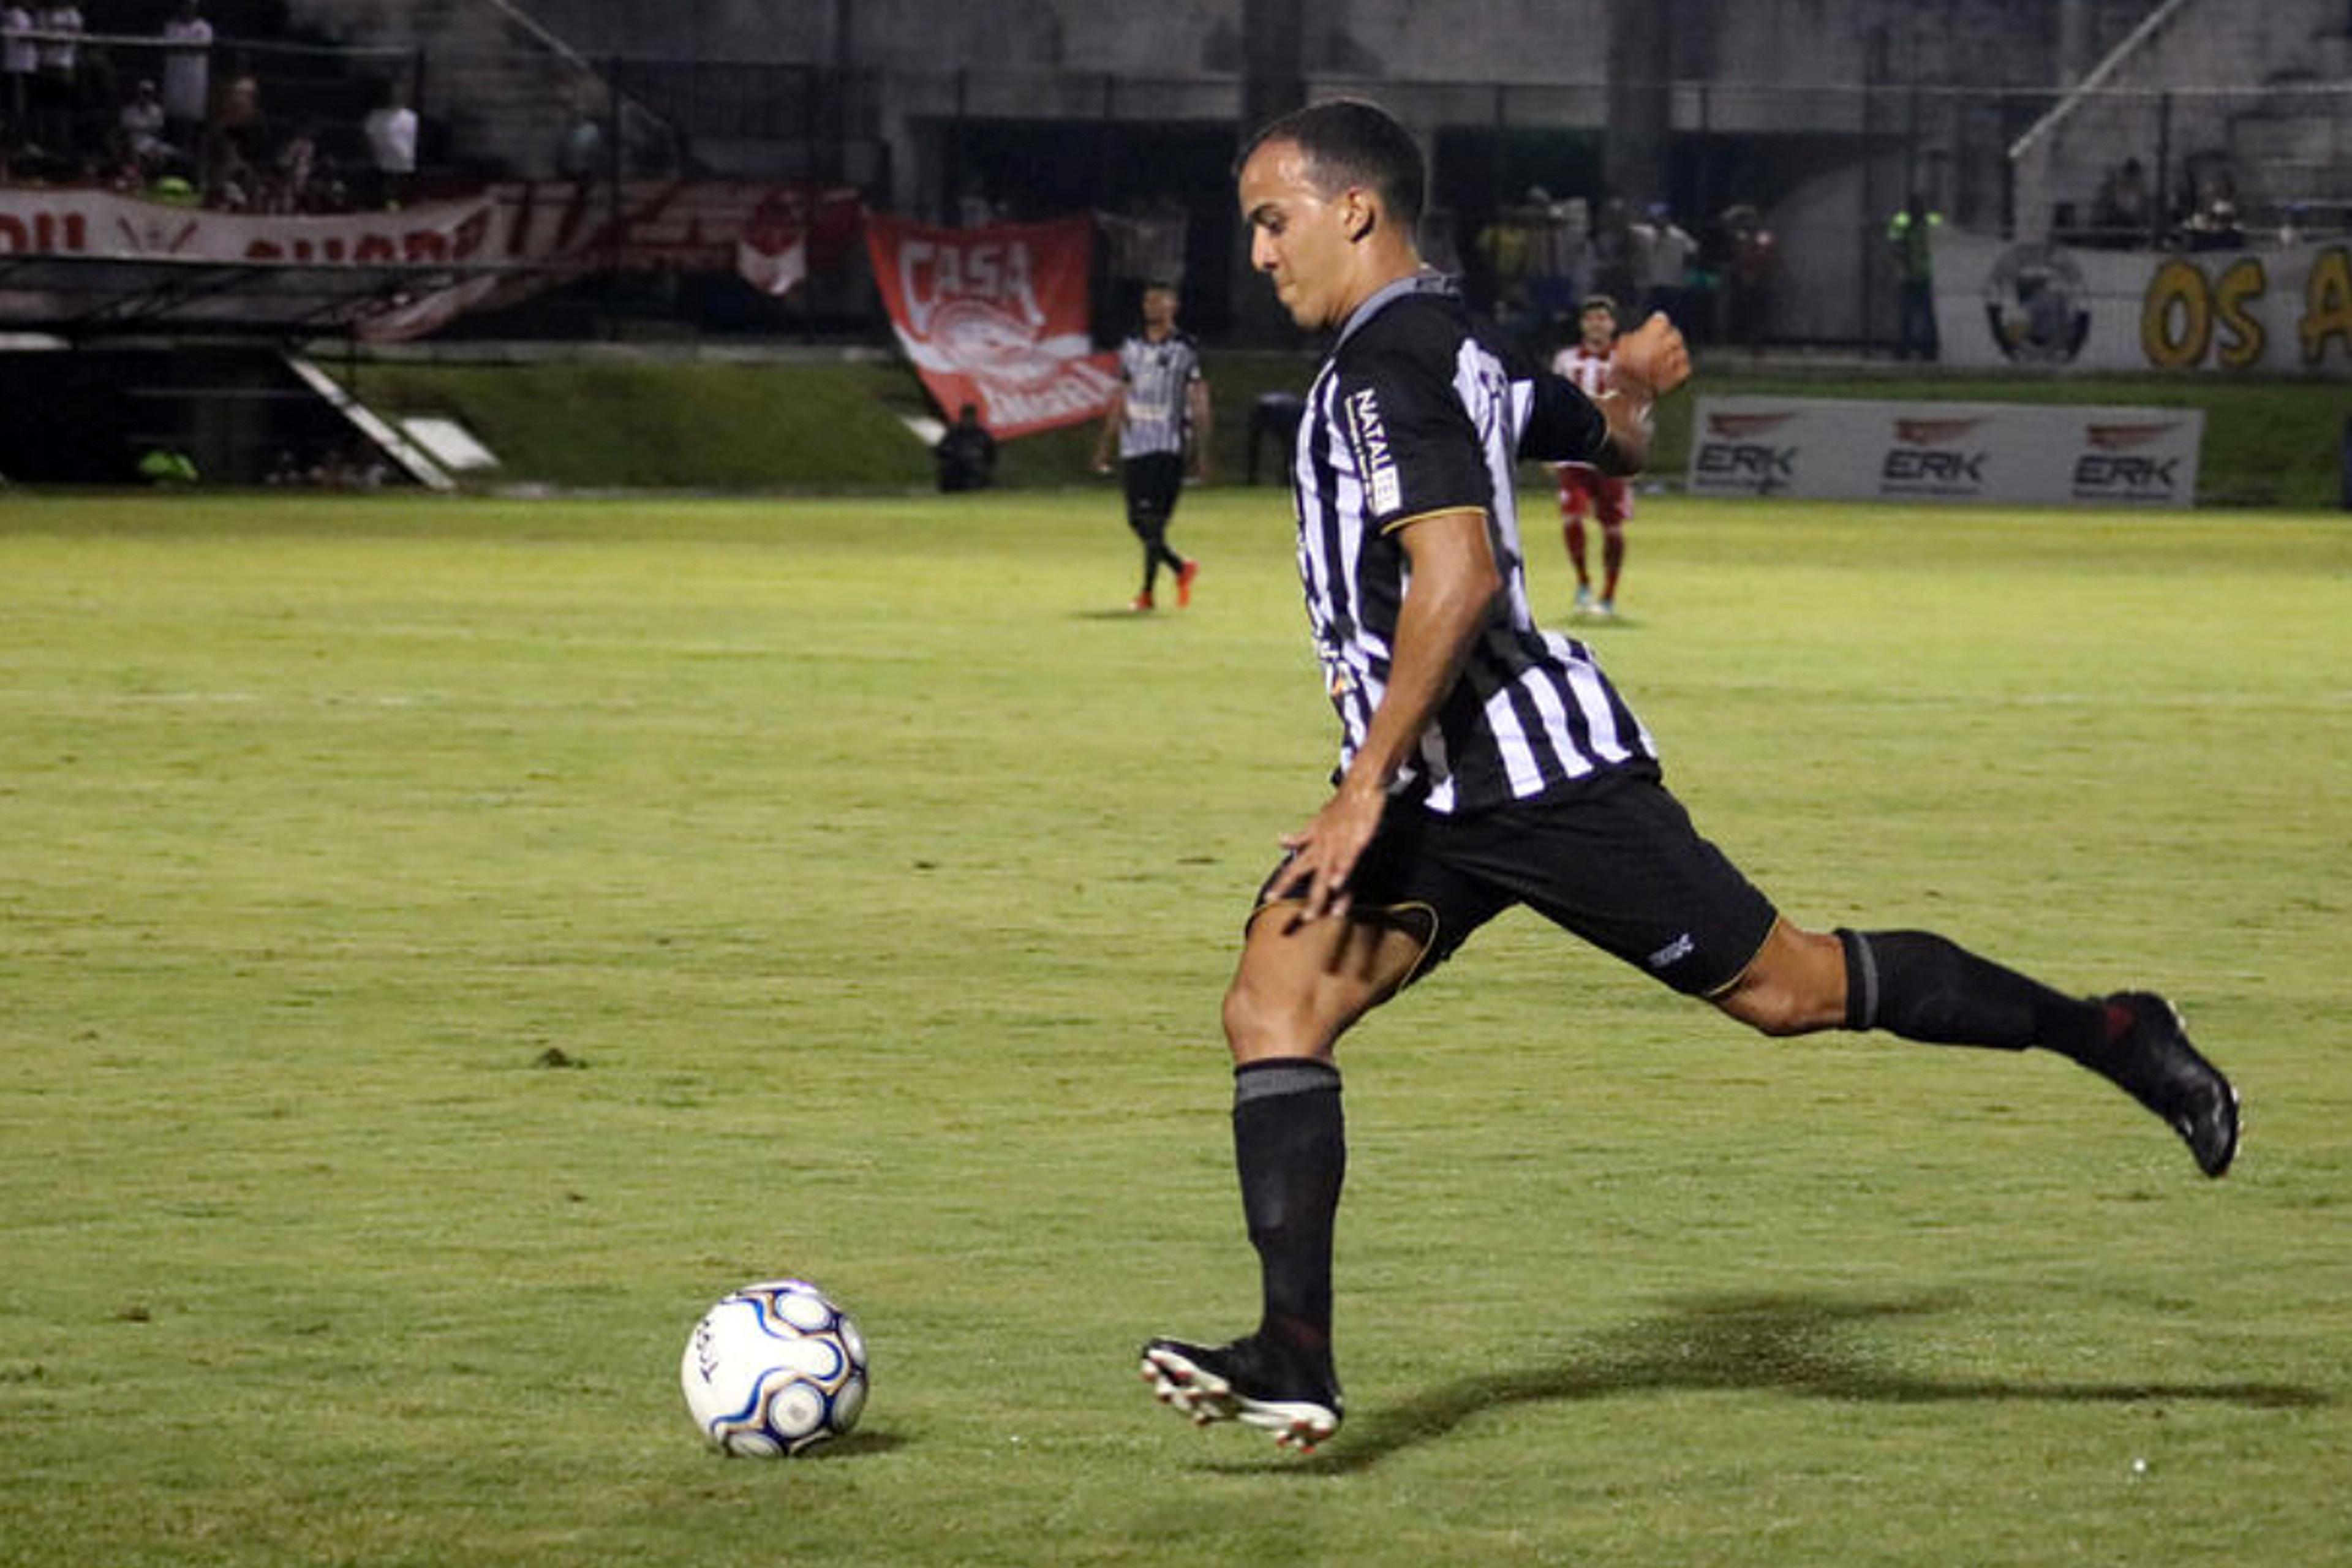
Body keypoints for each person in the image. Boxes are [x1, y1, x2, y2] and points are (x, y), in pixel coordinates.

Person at [1137, 97, 2239, 1457]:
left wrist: (1362, 784)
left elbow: (1462, 573)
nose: (1258, 250)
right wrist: (1639, 389)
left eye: (1272, 217)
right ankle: (1295, 1351)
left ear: (1353, 209)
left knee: (1791, 987)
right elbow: (1612, 441)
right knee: (1273, 999)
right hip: (1434, 787)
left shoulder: (1388, 367)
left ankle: (2113, 1031)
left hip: (1533, 778)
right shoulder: (1456, 342)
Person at [1091, 281, 1210, 611]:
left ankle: (1147, 594)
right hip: (1134, 444)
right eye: (1148, 301)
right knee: (1136, 519)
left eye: (1160, 301)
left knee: (1155, 520)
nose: (1152, 307)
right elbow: (1120, 394)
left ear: (1174, 305)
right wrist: (1106, 443)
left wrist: (1202, 451)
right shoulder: (1130, 347)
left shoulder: (1185, 348)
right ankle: (1179, 567)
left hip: (1167, 444)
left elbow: (1199, 397)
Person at [1550, 294, 1632, 618]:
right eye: (1591, 318)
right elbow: (1554, 402)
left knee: (1612, 527)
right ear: (1582, 324)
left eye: (1603, 318)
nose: (1597, 324)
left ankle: (1609, 595)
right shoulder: (1566, 360)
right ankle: (1583, 583)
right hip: (1573, 452)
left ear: (1612, 324)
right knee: (1572, 516)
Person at [1888, 191, 1942, 361]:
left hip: (1928, 276)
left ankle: (1928, 348)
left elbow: (1946, 233)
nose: (1918, 210)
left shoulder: (1931, 221)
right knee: (1908, 314)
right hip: (1910, 276)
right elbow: (1894, 242)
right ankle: (1906, 348)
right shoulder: (1902, 221)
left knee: (1927, 315)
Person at [159, 0, 210, 153]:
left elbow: (200, 48)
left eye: (191, 6)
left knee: (193, 122)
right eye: (185, 4)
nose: (188, 9)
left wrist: (184, 48)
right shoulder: (171, 26)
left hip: (195, 80)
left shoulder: (204, 27)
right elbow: (171, 48)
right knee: (174, 120)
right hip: (174, 78)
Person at [933, 403, 997, 493]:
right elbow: (941, 450)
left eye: (971, 417)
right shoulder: (953, 433)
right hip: (955, 469)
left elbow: (991, 454)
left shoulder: (982, 435)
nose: (969, 420)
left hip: (974, 471)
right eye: (967, 417)